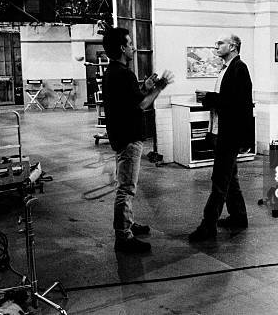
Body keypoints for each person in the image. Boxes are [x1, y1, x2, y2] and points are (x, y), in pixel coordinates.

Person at [103, 27, 174, 253]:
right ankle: (123, 236)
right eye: (130, 44)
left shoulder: (113, 72)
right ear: (123, 48)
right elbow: (142, 104)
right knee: (126, 188)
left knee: (125, 184)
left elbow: (132, 97)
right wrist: (161, 87)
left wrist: (145, 87)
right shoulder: (123, 74)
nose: (133, 47)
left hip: (121, 136)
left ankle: (128, 223)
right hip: (128, 137)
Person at [189, 34, 254, 242]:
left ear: (233, 46)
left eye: (220, 43)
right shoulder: (226, 69)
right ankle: (239, 217)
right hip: (221, 131)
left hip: (230, 135)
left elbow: (236, 103)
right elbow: (226, 100)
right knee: (230, 178)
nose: (216, 46)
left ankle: (208, 226)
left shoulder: (239, 68)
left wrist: (207, 97)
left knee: (219, 181)